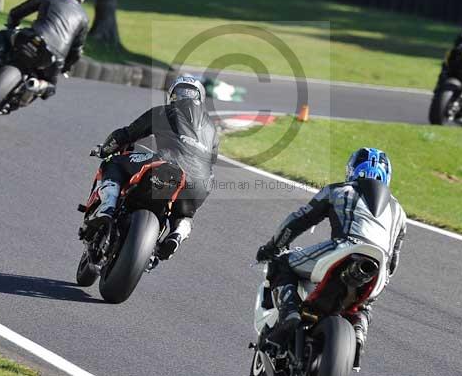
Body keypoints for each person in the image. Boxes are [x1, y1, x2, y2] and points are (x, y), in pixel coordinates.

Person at [255, 147, 407, 356]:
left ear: (352, 170)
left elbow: (297, 221)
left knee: (283, 263)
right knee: (366, 302)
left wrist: (272, 247)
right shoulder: (399, 212)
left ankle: (289, 315)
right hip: (378, 268)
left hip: (345, 247)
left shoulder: (339, 190)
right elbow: (392, 264)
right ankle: (359, 332)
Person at [85, 75, 220, 260]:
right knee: (184, 214)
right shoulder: (212, 129)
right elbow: (211, 161)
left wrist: (104, 149)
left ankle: (107, 207)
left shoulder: (164, 112)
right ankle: (177, 234)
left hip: (167, 166)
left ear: (172, 96)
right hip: (200, 183)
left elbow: (127, 134)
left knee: (113, 162)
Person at [0, 0, 90, 99]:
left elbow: (17, 12)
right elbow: (76, 51)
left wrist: (12, 24)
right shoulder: (84, 18)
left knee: (1, 35)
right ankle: (38, 85)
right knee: (50, 88)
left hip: (30, 39)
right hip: (55, 59)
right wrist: (66, 67)